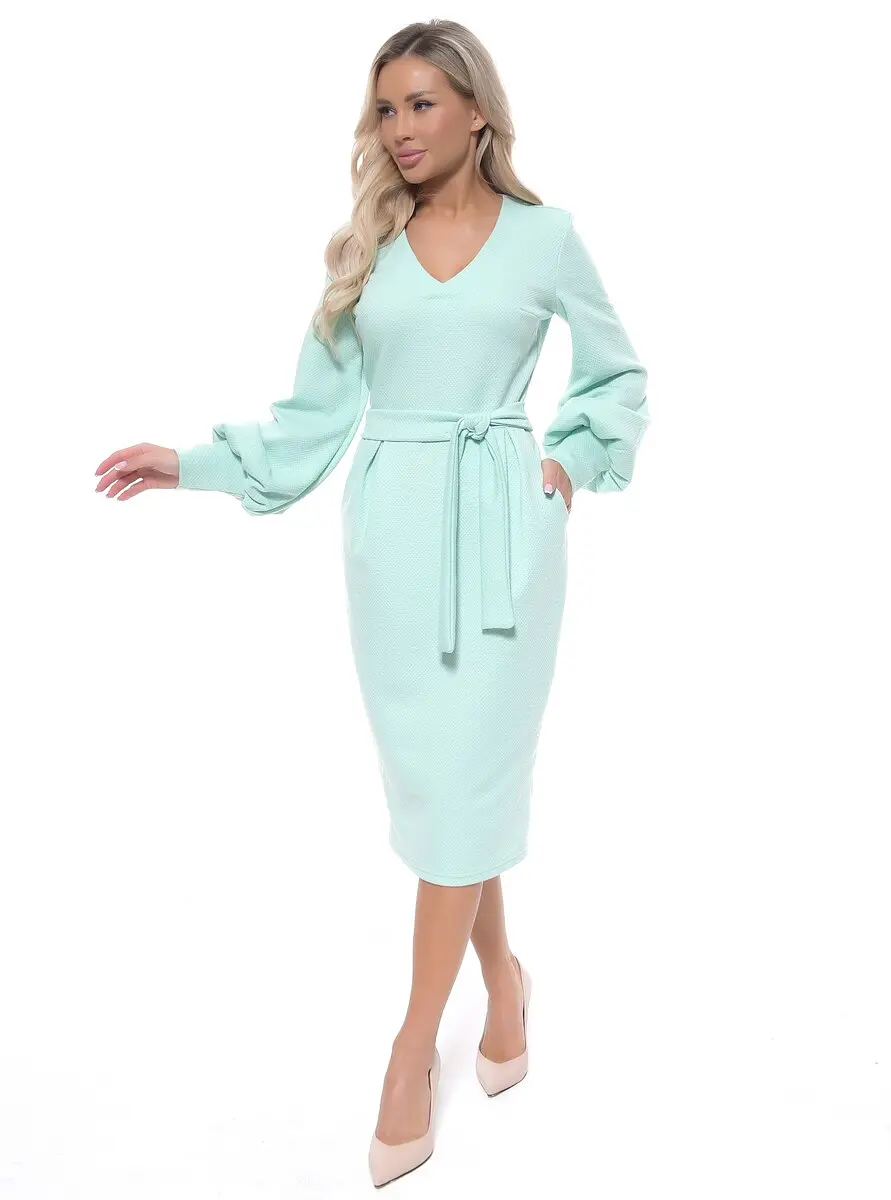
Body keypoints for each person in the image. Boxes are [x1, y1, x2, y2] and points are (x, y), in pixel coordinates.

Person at [94, 18, 649, 1188]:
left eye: (421, 104)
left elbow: (616, 372)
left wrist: (570, 463)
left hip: (504, 541)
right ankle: (503, 983)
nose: (399, 129)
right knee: (447, 792)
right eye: (386, 108)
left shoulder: (547, 238)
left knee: (464, 782)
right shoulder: (369, 249)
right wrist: (190, 463)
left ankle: (411, 1050)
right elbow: (311, 421)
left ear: (477, 112)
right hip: (391, 548)